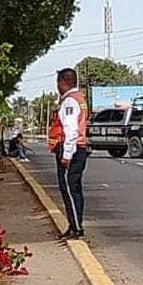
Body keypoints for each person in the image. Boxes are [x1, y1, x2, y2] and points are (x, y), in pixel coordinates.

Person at [53, 68, 89, 240]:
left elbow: (71, 129)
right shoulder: (79, 98)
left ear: (62, 82)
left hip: (72, 150)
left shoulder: (69, 102)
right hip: (79, 149)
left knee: (68, 189)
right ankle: (75, 224)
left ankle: (75, 227)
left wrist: (66, 154)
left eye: (58, 83)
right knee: (75, 189)